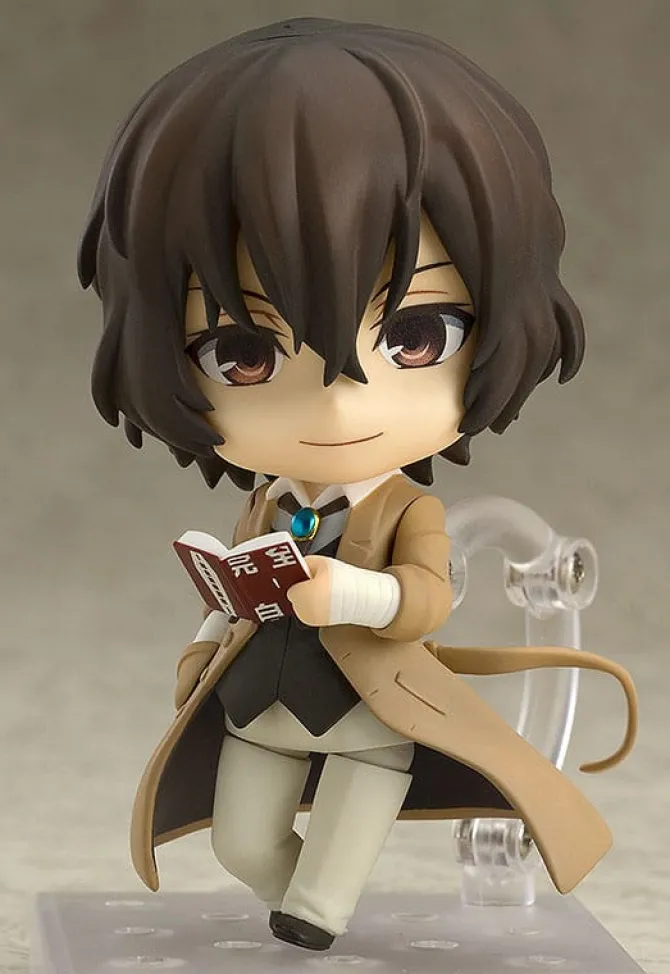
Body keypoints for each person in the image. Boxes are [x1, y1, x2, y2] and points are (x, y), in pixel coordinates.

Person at [78, 18, 637, 951]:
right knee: (242, 846)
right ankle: (319, 921)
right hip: (261, 709)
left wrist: (351, 594)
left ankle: (321, 923)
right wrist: (205, 641)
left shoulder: (407, 509)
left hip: (375, 720)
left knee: (319, 901)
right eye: (244, 353)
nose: (340, 405)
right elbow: (237, 590)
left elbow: (428, 600)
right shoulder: (266, 501)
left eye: (416, 337)